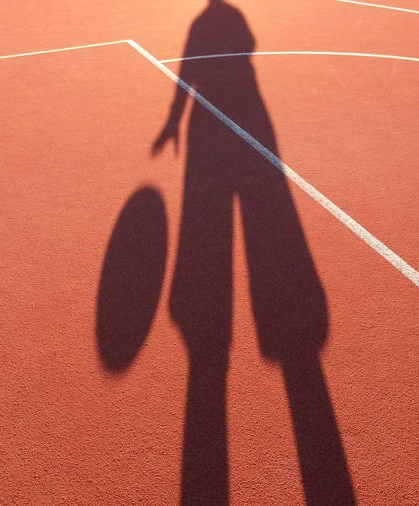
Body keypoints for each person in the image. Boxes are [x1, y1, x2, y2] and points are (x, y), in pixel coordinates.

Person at [152, 1, 356, 503]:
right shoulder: (225, 19)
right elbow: (244, 51)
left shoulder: (204, 22)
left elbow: (188, 68)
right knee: (264, 217)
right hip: (243, 114)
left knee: (212, 227)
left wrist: (175, 118)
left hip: (215, 123)